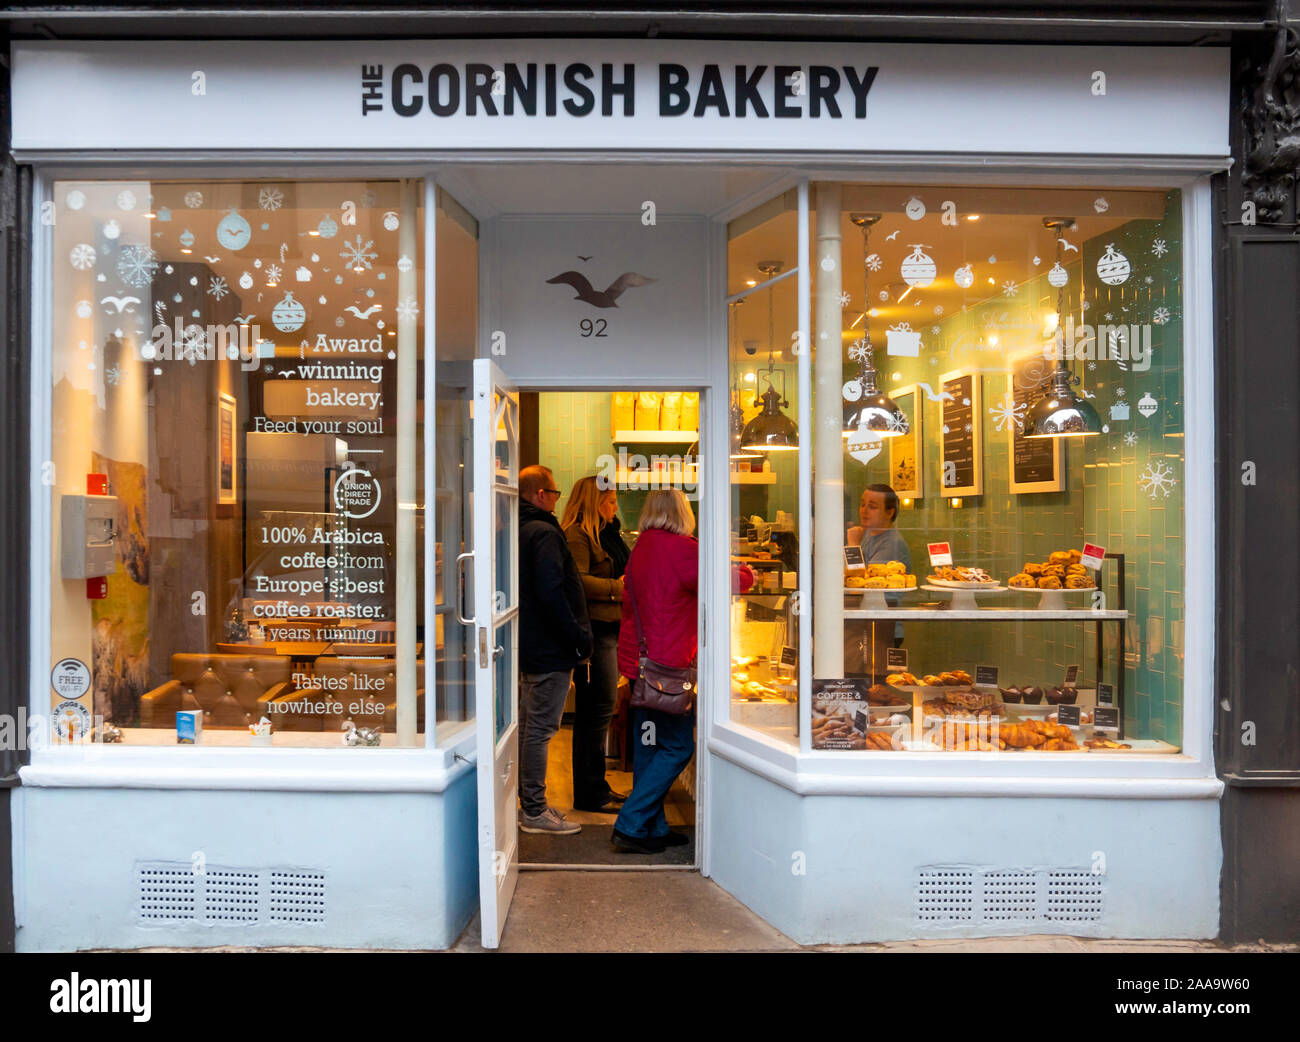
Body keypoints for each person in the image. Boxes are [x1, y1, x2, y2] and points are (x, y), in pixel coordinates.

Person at [611, 489, 700, 854]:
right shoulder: (683, 548)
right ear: (684, 513)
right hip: (668, 668)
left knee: (648, 741)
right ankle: (631, 822)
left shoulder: (642, 546)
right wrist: (743, 568)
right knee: (678, 746)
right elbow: (731, 582)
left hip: (639, 664)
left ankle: (653, 826)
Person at [517, 464, 593, 836]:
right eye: (553, 492)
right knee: (541, 730)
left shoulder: (517, 528)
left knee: (529, 726)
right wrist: (576, 635)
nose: (555, 499)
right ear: (540, 495)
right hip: (549, 648)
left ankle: (527, 803)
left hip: (530, 645)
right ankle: (533, 810)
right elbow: (552, 591)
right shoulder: (544, 533)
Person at [561, 475, 630, 813]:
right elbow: (577, 581)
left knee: (600, 711)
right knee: (596, 711)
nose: (615, 506)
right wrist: (618, 587)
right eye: (611, 500)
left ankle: (597, 786)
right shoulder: (577, 534)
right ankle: (590, 794)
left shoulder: (605, 532)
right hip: (595, 630)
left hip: (610, 627)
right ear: (594, 501)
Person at [845, 483, 913, 674]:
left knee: (875, 690)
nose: (864, 511)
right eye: (862, 504)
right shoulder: (869, 535)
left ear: (889, 512)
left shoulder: (891, 543)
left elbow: (859, 585)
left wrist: (852, 544)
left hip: (882, 628)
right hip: (867, 623)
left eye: (873, 506)